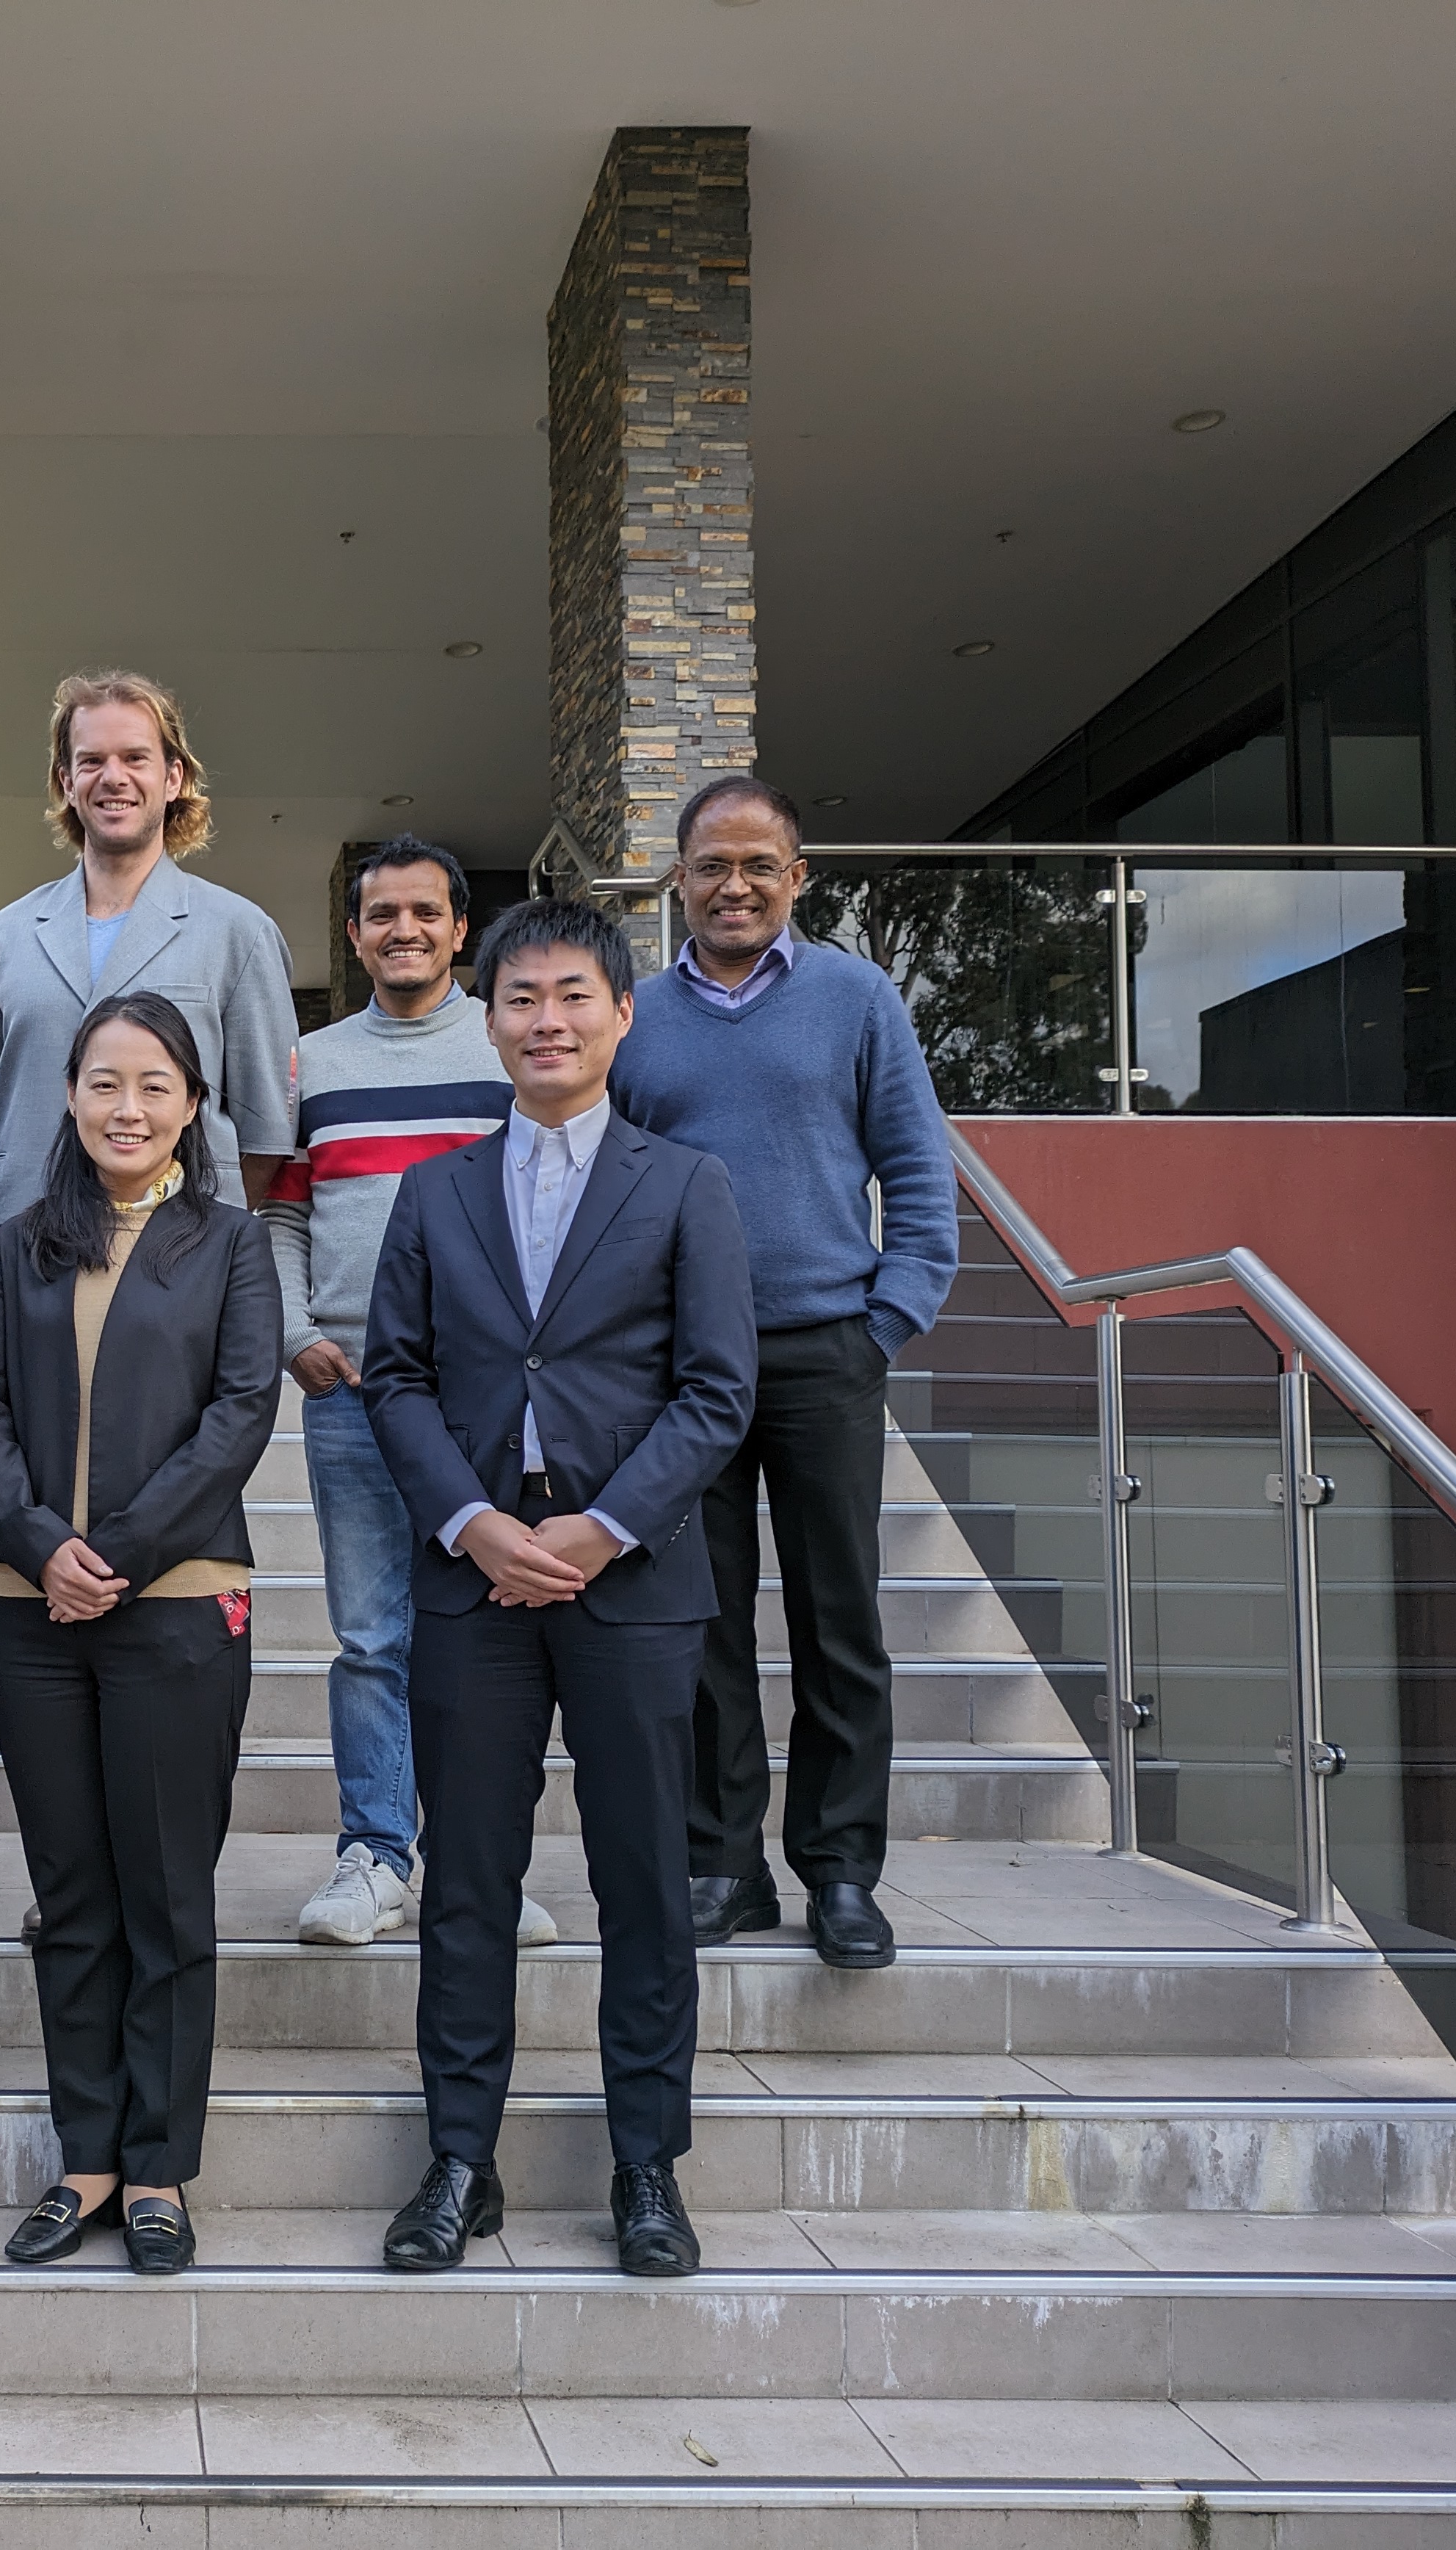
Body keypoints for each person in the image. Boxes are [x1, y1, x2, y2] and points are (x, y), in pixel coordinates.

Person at [361, 896, 757, 2280]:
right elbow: (394, 1379)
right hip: (474, 1581)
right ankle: (457, 2160)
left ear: (619, 1013)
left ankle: (645, 2165)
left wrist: (601, 1527)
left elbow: (716, 1392)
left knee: (641, 1880)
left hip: (630, 1583)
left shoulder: (683, 1183)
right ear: (488, 1016)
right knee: (466, 1878)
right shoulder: (433, 1189)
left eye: (572, 995)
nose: (546, 1019)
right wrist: (470, 1520)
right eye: (520, 995)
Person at [0, 991, 282, 2277]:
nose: (125, 1107)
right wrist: (41, 1546)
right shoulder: (24, 1238)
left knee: (164, 1893)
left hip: (179, 1601)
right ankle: (83, 2158)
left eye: (152, 1085)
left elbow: (241, 1409)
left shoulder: (229, 1243)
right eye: (101, 1082)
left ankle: (157, 2167)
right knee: (72, 1896)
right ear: (70, 1096)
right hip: (25, 1612)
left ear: (191, 1103)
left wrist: (121, 1554)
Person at [608, 776, 957, 1973]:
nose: (735, 885)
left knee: (837, 1621)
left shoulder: (857, 1001)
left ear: (797, 878)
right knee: (696, 1627)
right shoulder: (632, 1016)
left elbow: (918, 1179)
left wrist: (883, 1321)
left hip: (823, 1349)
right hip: (678, 1365)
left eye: (759, 864)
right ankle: (723, 1863)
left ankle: (841, 1870)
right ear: (677, 877)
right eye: (712, 865)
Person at [263, 837, 556, 1954]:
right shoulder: (313, 1063)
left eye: (424, 913)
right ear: (355, 933)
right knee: (373, 1636)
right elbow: (282, 1214)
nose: (404, 931)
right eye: (381, 914)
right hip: (350, 1389)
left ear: (458, 928)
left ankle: (478, 1859)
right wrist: (295, 1336)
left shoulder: (510, 1050)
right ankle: (378, 1857)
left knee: (484, 1631)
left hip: (487, 1399)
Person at [0, 669, 298, 1221]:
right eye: (92, 761)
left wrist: (198, 1230)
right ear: (66, 782)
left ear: (173, 777)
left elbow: (266, 1135)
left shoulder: (241, 932)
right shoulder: (2, 940)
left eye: (135, 758)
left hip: (182, 1264)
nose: (113, 777)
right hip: (30, 1256)